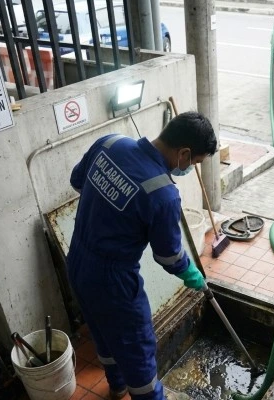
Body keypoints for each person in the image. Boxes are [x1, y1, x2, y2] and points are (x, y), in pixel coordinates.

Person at [67, 111, 218, 400]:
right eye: (195, 163)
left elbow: (78, 181)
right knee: (137, 348)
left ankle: (117, 386)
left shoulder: (110, 143)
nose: (191, 168)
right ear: (184, 153)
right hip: (114, 281)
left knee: (102, 331)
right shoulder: (162, 192)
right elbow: (168, 256)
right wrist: (190, 273)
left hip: (77, 260)